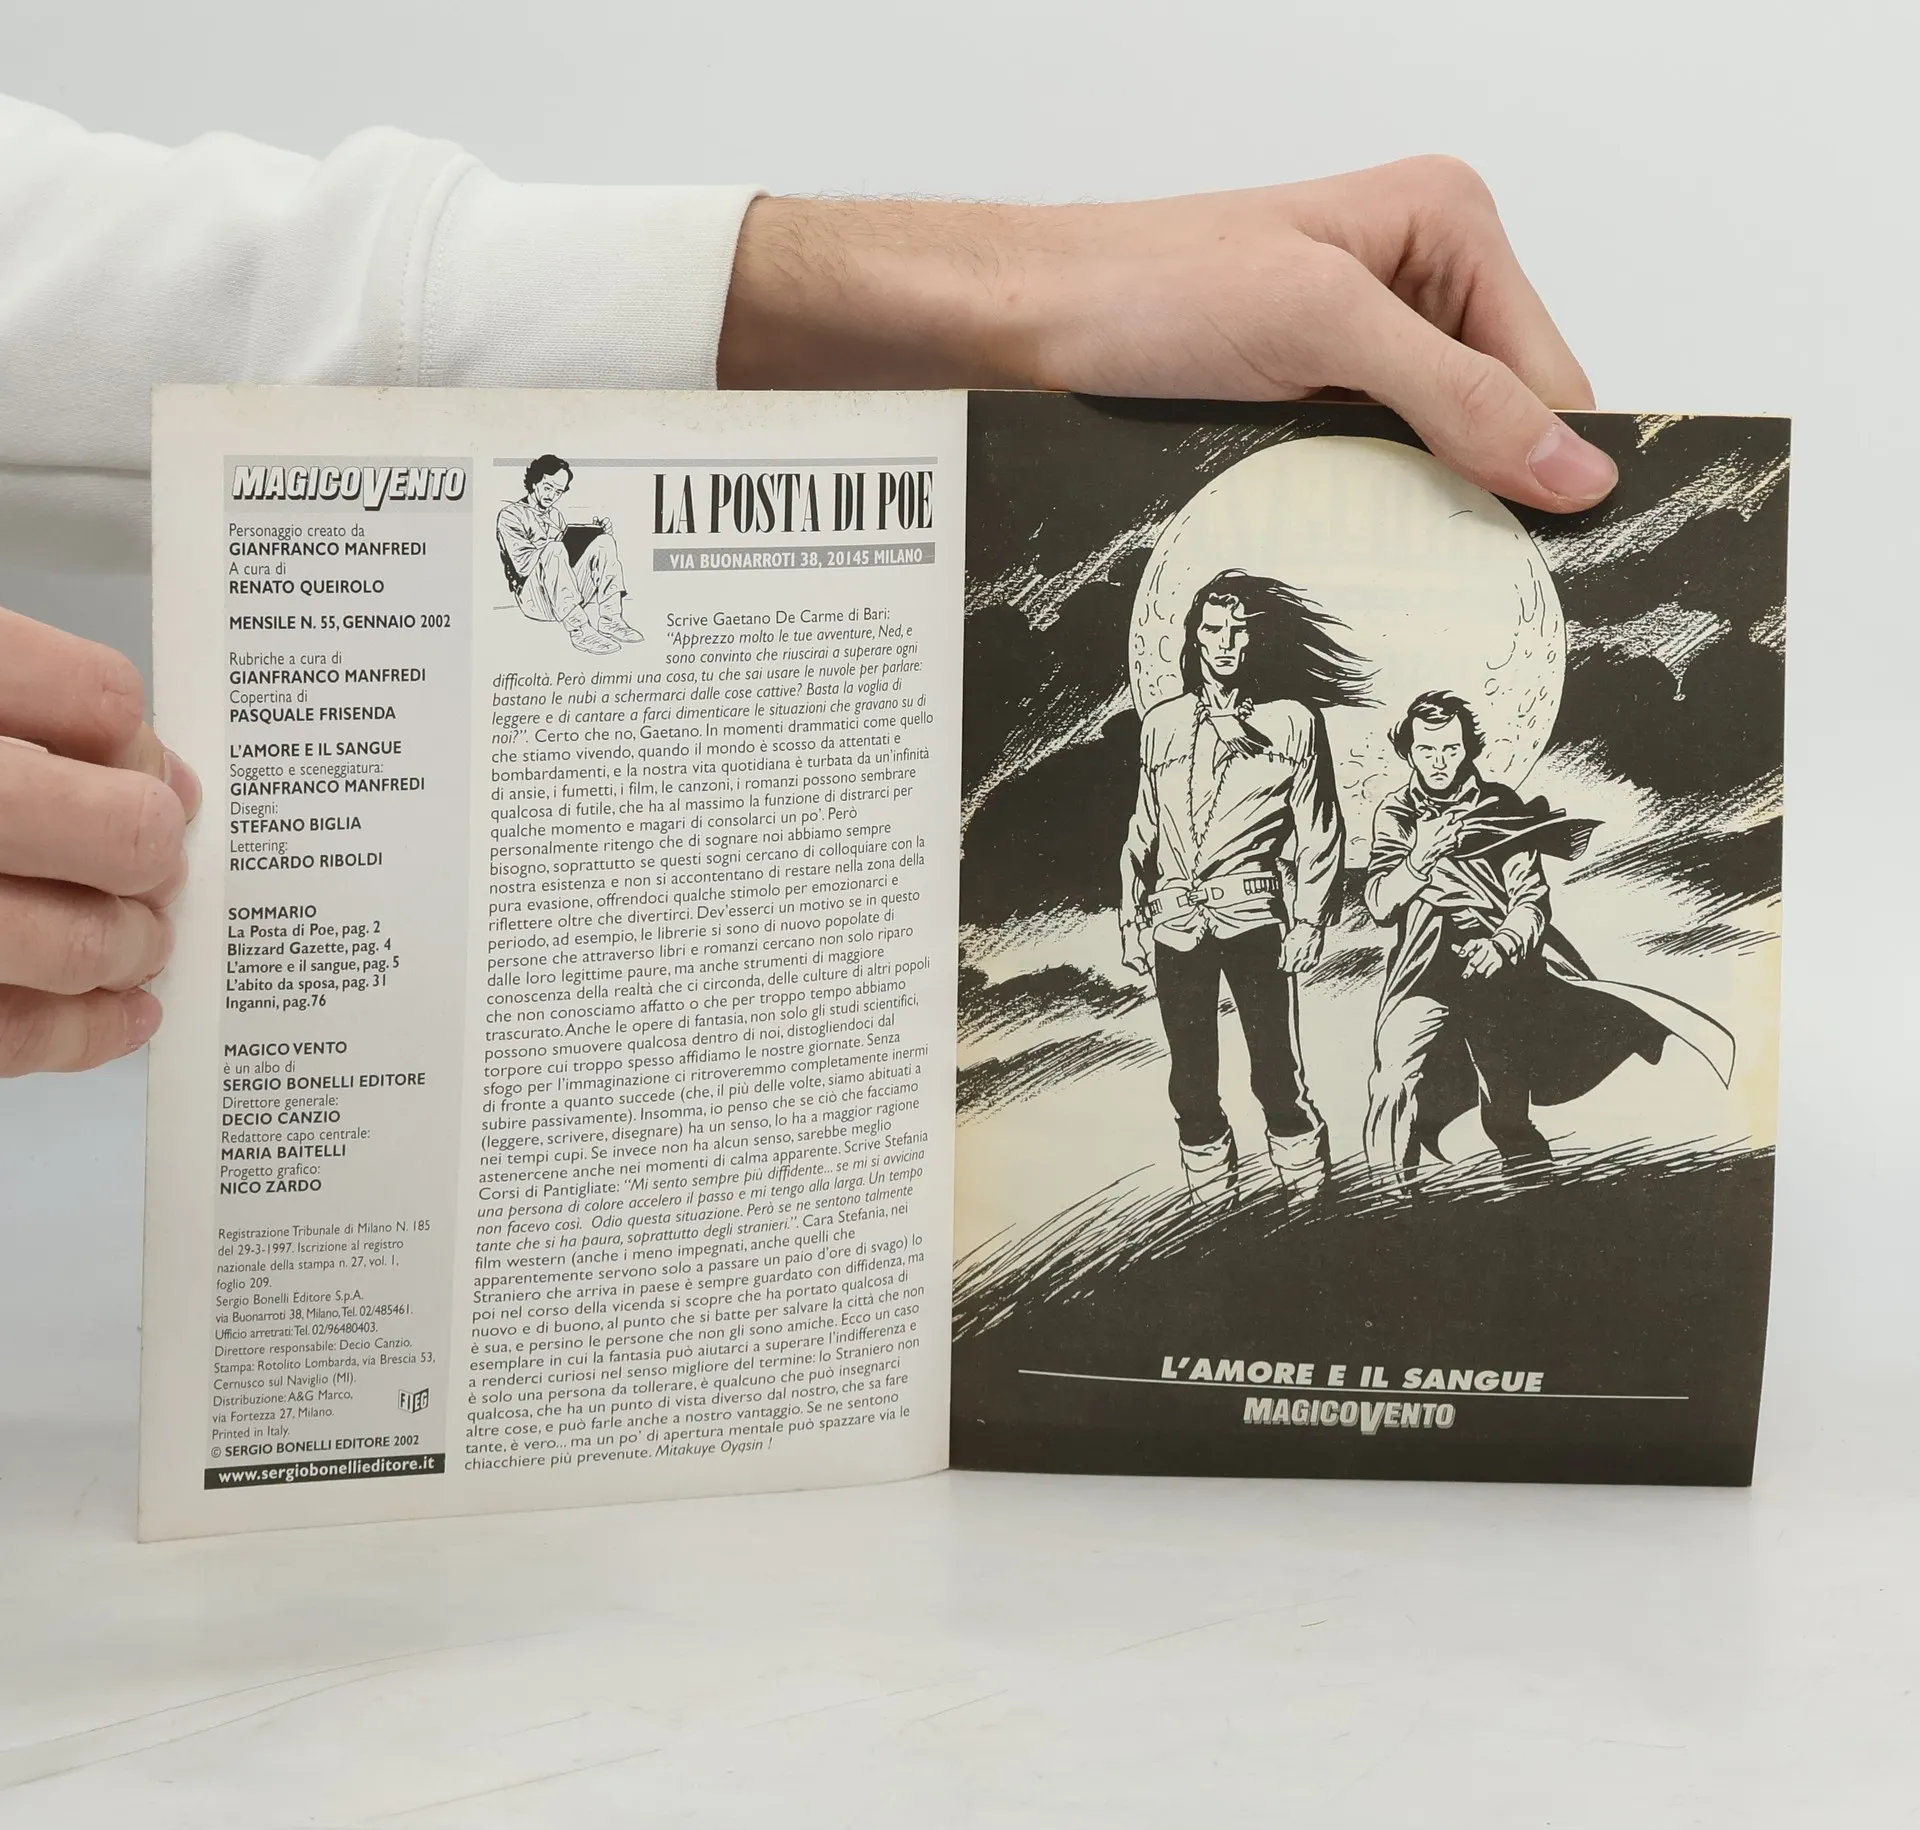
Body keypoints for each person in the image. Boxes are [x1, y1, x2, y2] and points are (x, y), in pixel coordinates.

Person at [0, 92, 1621, 1079]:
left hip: (1273, 921)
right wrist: (1142, 899)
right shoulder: (1182, 729)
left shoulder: (1302, 736)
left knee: (1284, 1069)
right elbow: (1146, 821)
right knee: (1206, 1076)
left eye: (1229, 622)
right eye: (1202, 618)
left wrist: (1026, 289)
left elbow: (101, 264)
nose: (1213, 636)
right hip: (1189, 919)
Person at [1361, 690, 1734, 1179]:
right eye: (1426, 750)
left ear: (1468, 748)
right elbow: (1380, 903)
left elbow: (1531, 899)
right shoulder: (1395, 814)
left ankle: (1535, 1194)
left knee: (1505, 1103)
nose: (1439, 762)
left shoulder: (1500, 805)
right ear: (1408, 751)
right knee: (1391, 1078)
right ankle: (1386, 1194)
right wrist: (1419, 858)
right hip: (1424, 968)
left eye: (1451, 749)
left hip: (1497, 967)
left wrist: (1501, 946)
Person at [1120, 571, 1368, 1208]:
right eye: (1213, 629)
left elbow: (1320, 831)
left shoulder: (1294, 723)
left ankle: (1310, 1206)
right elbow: (1143, 829)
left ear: (1259, 638)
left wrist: (1309, 920)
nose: (1226, 643)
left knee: (1276, 1075)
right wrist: (1130, 919)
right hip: (1175, 922)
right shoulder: (1162, 724)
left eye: (1239, 630)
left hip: (1254, 917)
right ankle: (1212, 1214)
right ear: (1195, 637)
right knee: (1190, 1084)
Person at [495, 454, 644, 653]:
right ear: (534, 482)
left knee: (604, 542)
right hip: (535, 599)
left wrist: (591, 536)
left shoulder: (555, 515)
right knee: (554, 549)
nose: (552, 495)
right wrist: (551, 547)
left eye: (558, 491)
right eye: (548, 487)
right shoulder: (511, 515)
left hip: (563, 598)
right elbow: (522, 566)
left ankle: (611, 619)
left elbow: (568, 556)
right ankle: (580, 630)